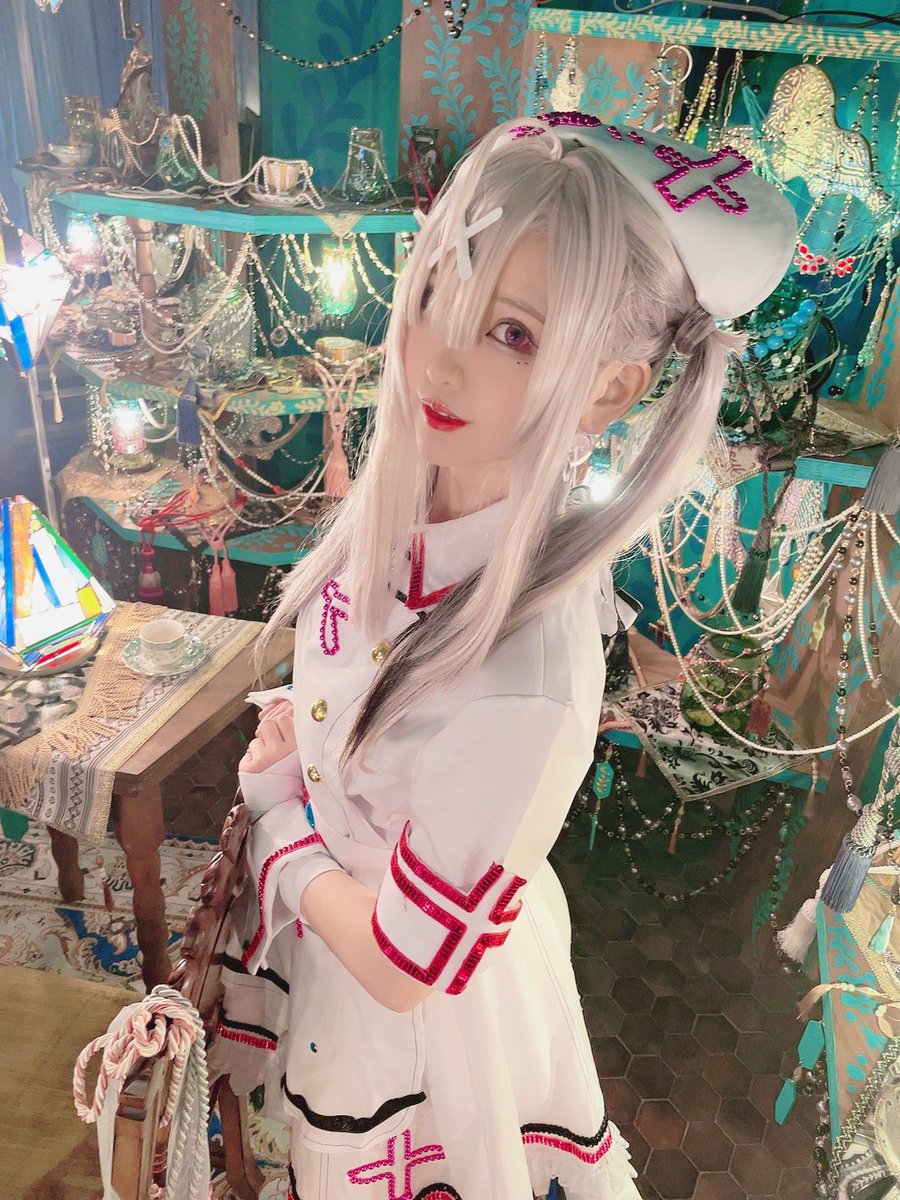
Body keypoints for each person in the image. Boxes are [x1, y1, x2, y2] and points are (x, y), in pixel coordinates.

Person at [208, 112, 796, 1200]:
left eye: (513, 334)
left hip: (425, 1039)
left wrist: (279, 813)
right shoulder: (410, 504)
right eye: (438, 293)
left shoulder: (528, 677)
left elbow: (403, 968)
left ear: (609, 388)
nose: (438, 355)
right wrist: (312, 751)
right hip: (335, 958)